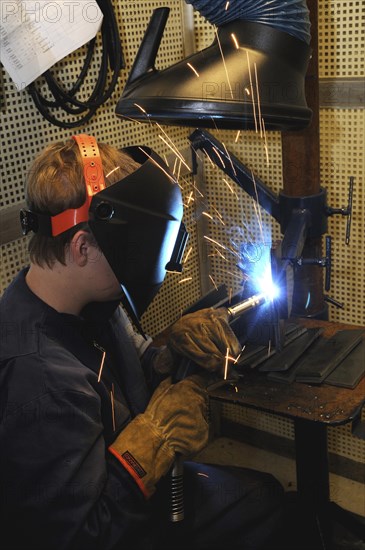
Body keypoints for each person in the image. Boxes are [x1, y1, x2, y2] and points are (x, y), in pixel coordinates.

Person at [0, 134, 284, 550]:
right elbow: (81, 537)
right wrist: (151, 445)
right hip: (114, 522)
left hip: (129, 497)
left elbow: (131, 367)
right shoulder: (41, 381)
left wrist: (169, 356)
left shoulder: (91, 300)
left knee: (263, 494)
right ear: (82, 247)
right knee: (263, 509)